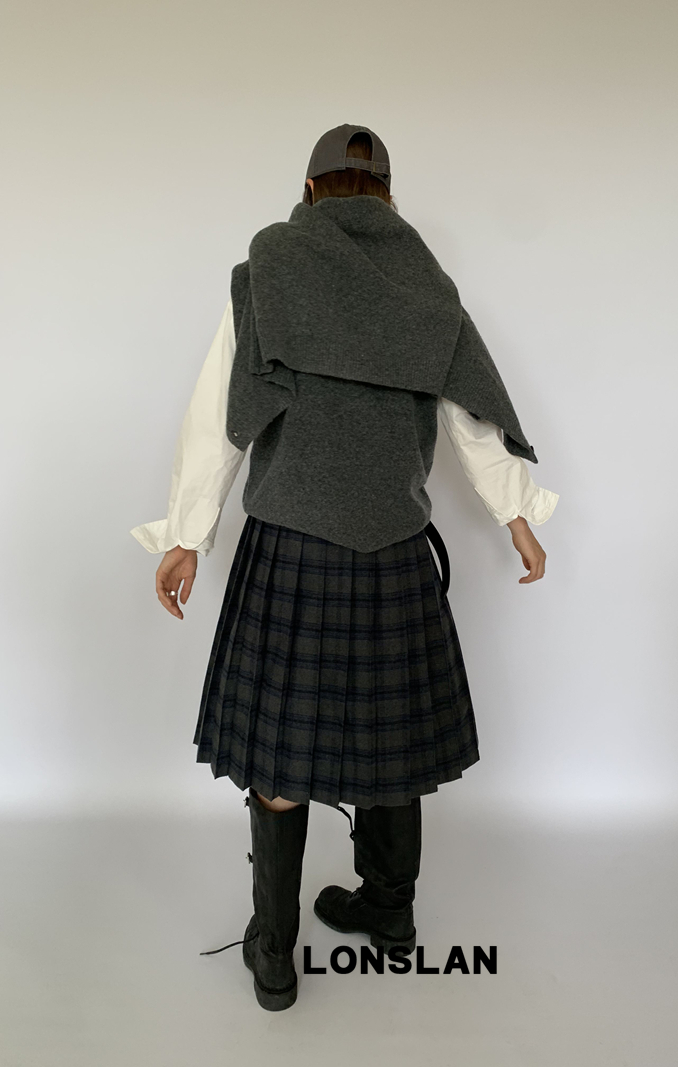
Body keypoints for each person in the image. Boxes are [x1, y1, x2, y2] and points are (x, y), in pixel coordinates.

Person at [130, 124, 559, 1011]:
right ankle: (390, 914)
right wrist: (516, 514)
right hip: (394, 550)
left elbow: (221, 414)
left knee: (280, 753)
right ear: (389, 195)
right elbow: (471, 415)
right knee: (391, 742)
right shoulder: (427, 284)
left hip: (292, 545)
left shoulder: (271, 268)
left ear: (310, 189)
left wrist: (186, 533)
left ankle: (275, 952)